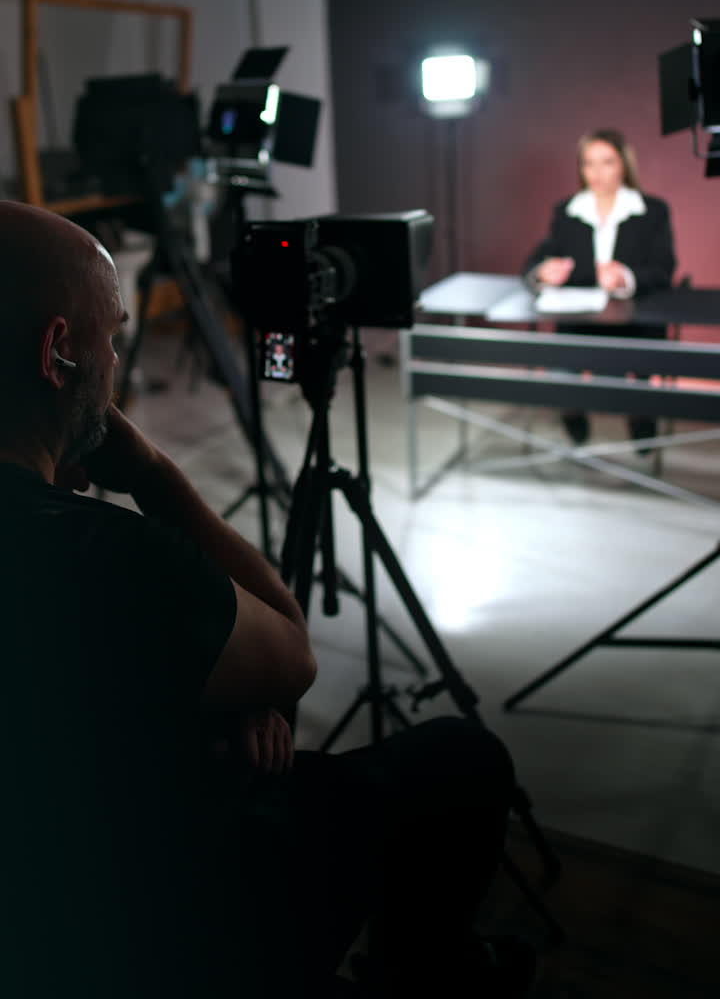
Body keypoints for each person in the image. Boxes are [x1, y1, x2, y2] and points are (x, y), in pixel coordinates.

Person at [0, 200, 532, 998]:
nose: (116, 360)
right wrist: (151, 472)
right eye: (111, 336)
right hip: (153, 920)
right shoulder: (109, 554)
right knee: (462, 759)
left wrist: (210, 701)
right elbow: (290, 655)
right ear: (59, 354)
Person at [523, 129, 676, 448]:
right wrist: (544, 271)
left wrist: (626, 277)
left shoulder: (652, 211)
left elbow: (663, 269)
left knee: (616, 381)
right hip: (580, 322)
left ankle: (639, 418)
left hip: (634, 324)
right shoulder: (567, 210)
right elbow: (536, 260)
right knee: (561, 376)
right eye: (588, 164)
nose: (597, 173)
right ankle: (573, 415)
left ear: (624, 165)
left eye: (607, 162)